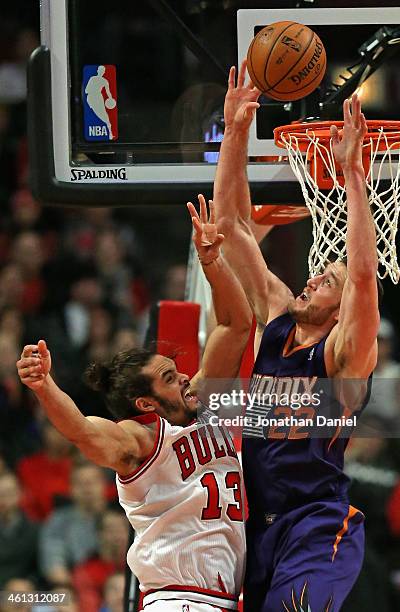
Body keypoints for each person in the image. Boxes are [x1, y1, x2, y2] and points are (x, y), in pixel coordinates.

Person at [17, 195, 251, 612]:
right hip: (178, 599)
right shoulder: (139, 441)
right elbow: (82, 431)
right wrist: (44, 386)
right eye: (167, 377)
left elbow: (237, 324)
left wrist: (213, 261)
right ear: (147, 401)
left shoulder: (203, 397)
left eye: (174, 368)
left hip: (222, 598)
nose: (182, 375)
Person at [213, 61, 380, 611]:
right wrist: (235, 132)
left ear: (341, 311)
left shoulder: (343, 356)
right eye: (316, 270)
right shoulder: (279, 317)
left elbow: (360, 273)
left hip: (316, 524)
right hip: (256, 526)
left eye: (324, 280)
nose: (313, 275)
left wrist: (353, 175)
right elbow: (232, 228)